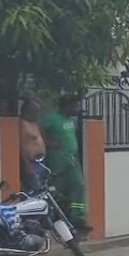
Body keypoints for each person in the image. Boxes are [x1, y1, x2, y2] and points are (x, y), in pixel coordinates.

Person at [40, 95, 88, 233]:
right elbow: (39, 131)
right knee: (60, 191)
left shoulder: (71, 120)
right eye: (76, 106)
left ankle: (77, 218)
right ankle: (60, 219)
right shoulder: (51, 119)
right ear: (67, 106)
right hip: (58, 160)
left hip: (72, 160)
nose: (78, 109)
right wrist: (49, 143)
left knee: (78, 186)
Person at [19, 98, 46, 193]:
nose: (38, 114)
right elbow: (22, 146)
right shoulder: (23, 125)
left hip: (40, 162)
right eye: (36, 112)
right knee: (34, 192)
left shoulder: (35, 124)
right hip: (31, 163)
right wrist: (27, 165)